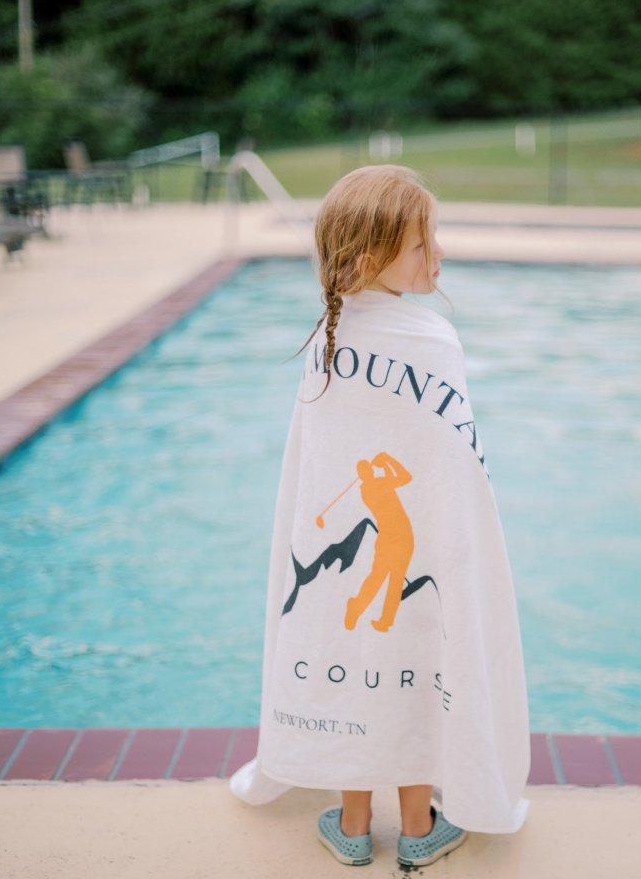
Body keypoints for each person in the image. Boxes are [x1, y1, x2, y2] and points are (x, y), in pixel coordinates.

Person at [230, 164, 530, 868]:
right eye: (423, 245)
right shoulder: (431, 343)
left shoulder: (324, 346)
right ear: (371, 259)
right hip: (417, 550)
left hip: (348, 554)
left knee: (354, 654)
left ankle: (355, 825)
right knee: (414, 667)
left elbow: (314, 477)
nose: (440, 255)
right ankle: (421, 826)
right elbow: (451, 474)